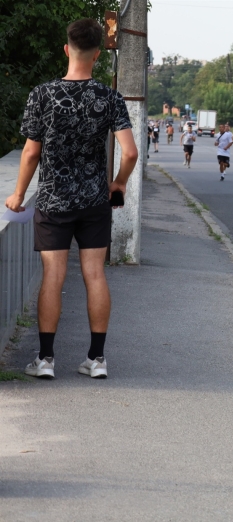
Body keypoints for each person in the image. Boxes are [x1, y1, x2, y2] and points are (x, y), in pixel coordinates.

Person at [4, 18, 138, 379]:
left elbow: (31, 154)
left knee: (54, 276)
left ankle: (46, 360)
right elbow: (130, 153)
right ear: (97, 54)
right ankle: (96, 360)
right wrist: (118, 184)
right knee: (95, 275)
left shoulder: (43, 95)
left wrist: (18, 195)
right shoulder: (109, 97)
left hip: (53, 201)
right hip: (94, 199)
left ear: (67, 49)